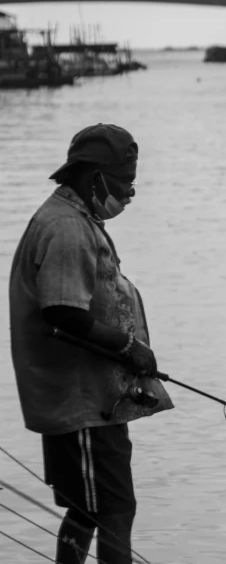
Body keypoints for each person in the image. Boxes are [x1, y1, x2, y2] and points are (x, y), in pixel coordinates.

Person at [9, 123, 174, 564]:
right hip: (79, 402)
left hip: (93, 397)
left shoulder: (76, 218)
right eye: (126, 180)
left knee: (88, 510)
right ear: (94, 175)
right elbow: (61, 313)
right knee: (115, 507)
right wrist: (128, 347)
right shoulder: (65, 228)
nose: (132, 191)